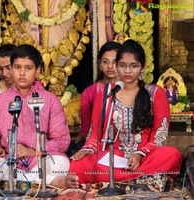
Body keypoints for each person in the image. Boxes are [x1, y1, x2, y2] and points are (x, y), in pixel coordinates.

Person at [69, 40, 182, 191]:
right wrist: (88, 149)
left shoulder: (155, 93)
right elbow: (95, 134)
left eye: (133, 66)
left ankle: (118, 180)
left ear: (142, 67)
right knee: (78, 164)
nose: (127, 71)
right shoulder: (106, 95)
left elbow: (160, 136)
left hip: (145, 157)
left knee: (171, 154)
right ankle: (142, 180)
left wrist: (139, 154)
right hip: (113, 157)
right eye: (122, 65)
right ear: (116, 67)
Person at [0, 44, 78, 189]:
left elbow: (62, 141)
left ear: (37, 71)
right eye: (17, 67)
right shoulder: (0, 101)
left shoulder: (50, 100)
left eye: (28, 68)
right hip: (10, 159)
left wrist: (33, 151)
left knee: (60, 163)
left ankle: (21, 182)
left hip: (41, 158)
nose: (22, 73)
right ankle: (49, 181)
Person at [73, 41, 121, 145]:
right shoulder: (89, 92)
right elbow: (86, 129)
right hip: (97, 143)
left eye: (115, 62)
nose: (110, 66)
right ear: (99, 64)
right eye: (105, 61)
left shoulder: (129, 89)